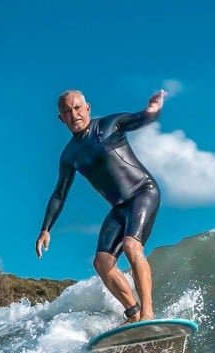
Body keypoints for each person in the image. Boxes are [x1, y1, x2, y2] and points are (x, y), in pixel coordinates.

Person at [36, 89, 166, 322]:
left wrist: (153, 109)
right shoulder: (69, 155)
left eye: (77, 108)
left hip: (143, 192)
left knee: (131, 246)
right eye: (67, 111)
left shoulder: (110, 125)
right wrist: (46, 229)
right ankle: (133, 313)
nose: (73, 114)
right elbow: (59, 193)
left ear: (88, 108)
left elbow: (141, 118)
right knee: (102, 262)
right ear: (61, 118)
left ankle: (148, 313)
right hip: (119, 207)